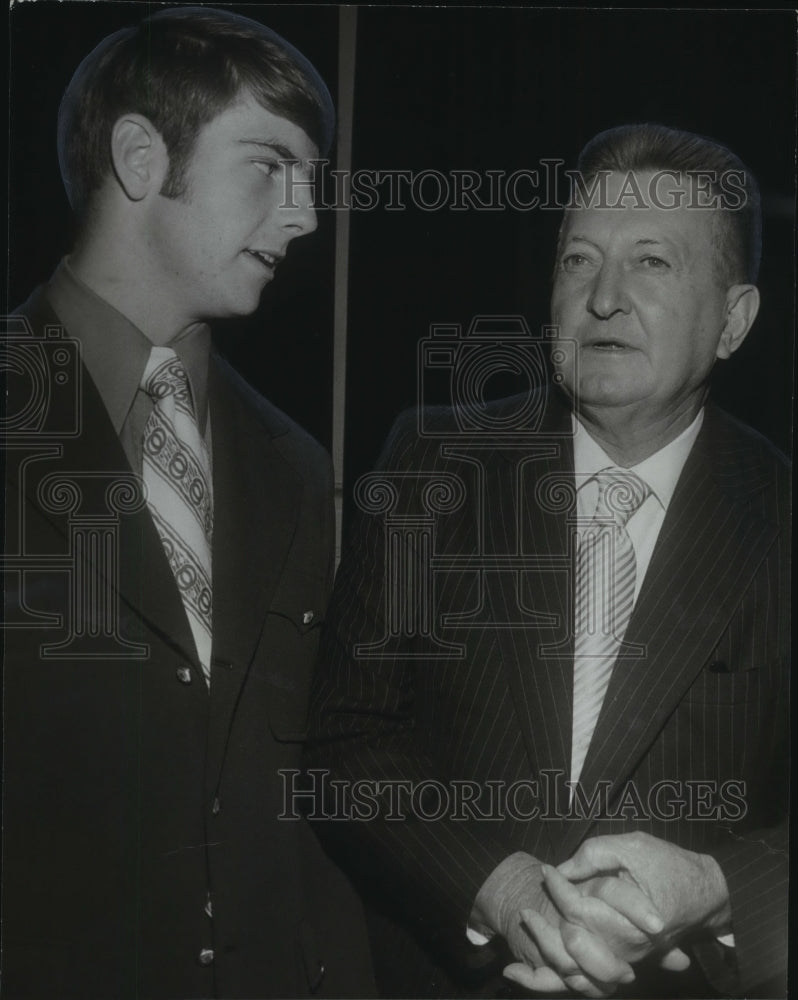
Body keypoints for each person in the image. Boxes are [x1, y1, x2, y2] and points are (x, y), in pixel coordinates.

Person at [307, 124, 788, 998]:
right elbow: (345, 743)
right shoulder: (432, 465)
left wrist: (717, 892)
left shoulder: (782, 519)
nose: (604, 298)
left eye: (651, 262)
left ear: (734, 319)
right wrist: (499, 887)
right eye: (578, 260)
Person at [2, 8, 373, 998]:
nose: (303, 217)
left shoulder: (295, 466)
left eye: (312, 183)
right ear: (138, 156)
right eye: (269, 166)